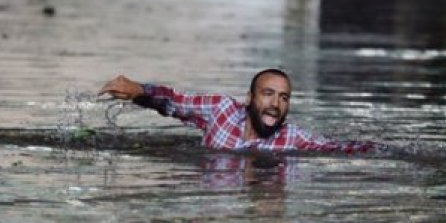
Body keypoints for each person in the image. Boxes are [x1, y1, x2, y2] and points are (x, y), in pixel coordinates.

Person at [98, 69, 378, 153]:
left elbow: (335, 148)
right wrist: (139, 90)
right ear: (249, 98)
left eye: (284, 98)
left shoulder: (291, 137)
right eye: (268, 94)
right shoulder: (221, 110)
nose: (276, 104)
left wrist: (384, 151)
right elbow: (173, 102)